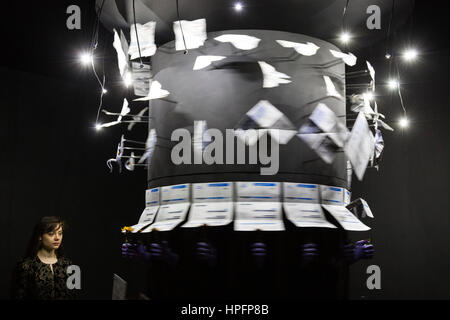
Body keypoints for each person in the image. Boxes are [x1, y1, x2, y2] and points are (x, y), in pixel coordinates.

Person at [12, 216, 76, 300]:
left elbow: (75, 295)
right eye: (51, 233)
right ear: (40, 236)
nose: (57, 237)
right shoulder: (25, 266)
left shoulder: (70, 265)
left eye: (60, 233)